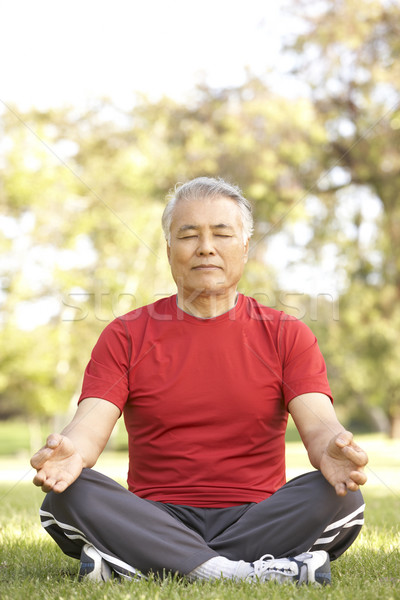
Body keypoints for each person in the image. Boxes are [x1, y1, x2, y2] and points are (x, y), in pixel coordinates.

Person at [31, 176, 368, 586]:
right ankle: (244, 572)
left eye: (222, 234)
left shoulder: (286, 334)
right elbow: (89, 425)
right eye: (188, 235)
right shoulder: (126, 334)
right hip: (154, 515)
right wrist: (71, 451)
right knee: (68, 493)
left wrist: (334, 446)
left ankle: (138, 562)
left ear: (244, 246)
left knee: (342, 496)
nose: (205, 247)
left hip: (257, 515)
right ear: (169, 250)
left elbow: (319, 423)